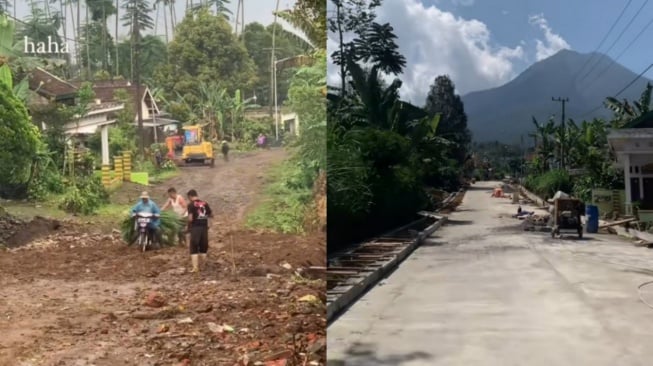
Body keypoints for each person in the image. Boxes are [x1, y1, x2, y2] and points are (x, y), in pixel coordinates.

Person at [185, 189, 213, 273]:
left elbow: (190, 218)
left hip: (195, 228)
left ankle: (195, 268)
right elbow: (211, 214)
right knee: (203, 247)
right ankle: (204, 267)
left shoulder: (191, 205)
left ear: (190, 196)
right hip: (204, 228)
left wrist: (188, 227)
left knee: (193, 247)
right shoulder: (205, 203)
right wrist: (208, 223)